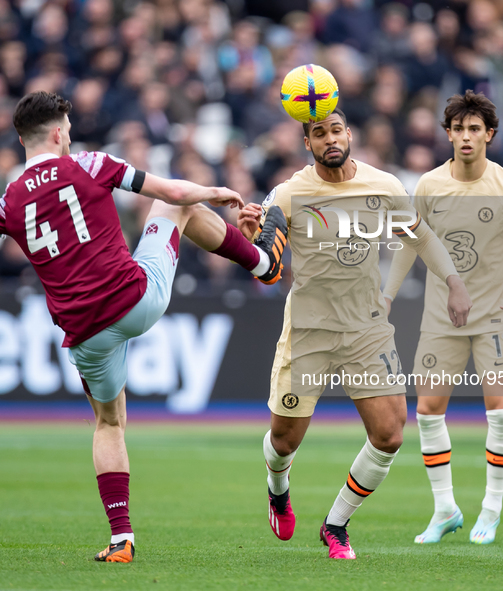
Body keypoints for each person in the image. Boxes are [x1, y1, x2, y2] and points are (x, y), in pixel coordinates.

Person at [1, 91, 288, 563]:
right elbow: (173, 193)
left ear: (20, 138)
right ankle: (263, 264)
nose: (70, 136)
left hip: (85, 334)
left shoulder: (9, 200)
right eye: (67, 130)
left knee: (108, 423)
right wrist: (212, 190)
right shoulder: (90, 164)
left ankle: (121, 538)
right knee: (176, 206)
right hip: (135, 300)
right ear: (57, 133)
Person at [237, 107, 472, 559]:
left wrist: (455, 282)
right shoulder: (287, 195)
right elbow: (268, 273)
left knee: (389, 434)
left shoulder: (383, 186)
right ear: (307, 143)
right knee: (284, 440)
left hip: (366, 328)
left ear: (350, 134)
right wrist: (251, 240)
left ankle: (336, 524)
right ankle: (277, 488)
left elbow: (420, 236)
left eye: (336, 130)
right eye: (319, 133)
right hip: (309, 331)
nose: (330, 138)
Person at [384, 90, 503, 545]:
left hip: (497, 317)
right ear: (448, 135)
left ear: (489, 135)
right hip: (441, 319)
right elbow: (408, 244)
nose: (465, 137)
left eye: (474, 129)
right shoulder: (429, 186)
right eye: (458, 129)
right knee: (428, 411)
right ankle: (444, 510)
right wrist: (386, 296)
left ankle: (491, 511)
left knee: (499, 413)